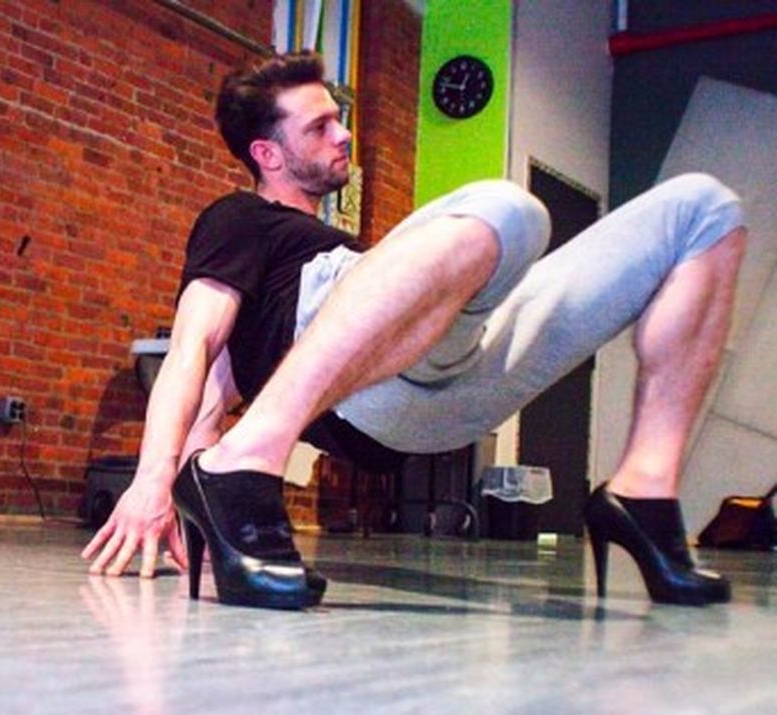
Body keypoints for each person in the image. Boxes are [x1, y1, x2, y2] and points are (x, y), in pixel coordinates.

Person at [82, 51, 746, 611]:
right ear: (268, 154)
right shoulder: (238, 219)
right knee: (512, 211)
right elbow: (194, 349)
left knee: (704, 210)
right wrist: (154, 481)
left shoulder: (372, 270)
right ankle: (248, 459)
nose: (343, 135)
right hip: (360, 397)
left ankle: (644, 491)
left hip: (442, 402)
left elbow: (215, 390)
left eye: (339, 119)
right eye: (319, 126)